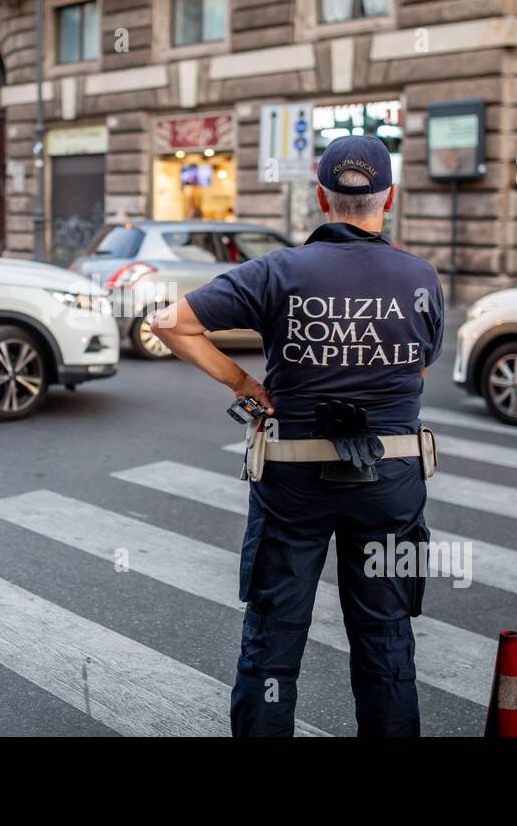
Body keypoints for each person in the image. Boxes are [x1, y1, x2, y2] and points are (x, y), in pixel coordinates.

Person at [154, 135, 444, 737]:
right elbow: (415, 368)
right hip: (390, 480)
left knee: (273, 637)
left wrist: (246, 386)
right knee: (387, 638)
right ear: (388, 200)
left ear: (320, 198)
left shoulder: (278, 271)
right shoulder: (420, 279)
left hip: (294, 479)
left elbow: (170, 323)